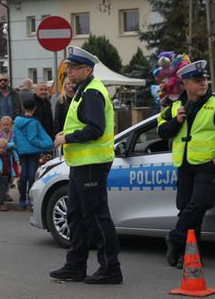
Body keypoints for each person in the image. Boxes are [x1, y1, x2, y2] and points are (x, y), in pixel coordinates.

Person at [50, 46, 122, 285]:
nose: (69, 71)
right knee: (76, 216)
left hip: (92, 164)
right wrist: (67, 132)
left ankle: (111, 269)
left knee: (96, 217)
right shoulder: (83, 90)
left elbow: (95, 128)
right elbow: (84, 124)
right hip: (82, 164)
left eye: (73, 68)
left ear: (87, 69)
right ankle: (75, 266)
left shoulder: (91, 92)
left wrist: (67, 138)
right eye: (69, 67)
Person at [157, 60, 215, 269]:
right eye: (197, 80)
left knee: (198, 205)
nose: (203, 83)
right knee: (186, 209)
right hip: (184, 166)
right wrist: (175, 122)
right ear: (185, 83)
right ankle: (189, 256)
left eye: (204, 79)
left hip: (207, 165)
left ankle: (175, 239)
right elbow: (161, 131)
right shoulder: (175, 107)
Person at [13, 98, 53, 210]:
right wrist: (45, 145)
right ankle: (30, 199)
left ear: (23, 108)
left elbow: (14, 138)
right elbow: (33, 138)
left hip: (21, 151)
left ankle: (22, 198)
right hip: (33, 151)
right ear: (34, 109)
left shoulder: (16, 122)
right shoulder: (34, 122)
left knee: (23, 174)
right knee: (32, 175)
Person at [0, 138, 19, 211]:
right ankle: (0, 204)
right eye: (0, 148)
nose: (2, 149)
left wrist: (13, 175)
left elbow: (10, 166)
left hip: (7, 175)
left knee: (6, 189)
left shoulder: (8, 155)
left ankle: (4, 197)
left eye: (4, 148)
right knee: (2, 190)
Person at [0, 116, 21, 198]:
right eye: (4, 125)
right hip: (2, 159)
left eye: (8, 125)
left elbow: (15, 143)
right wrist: (10, 145)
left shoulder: (13, 134)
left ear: (11, 126)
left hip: (12, 159)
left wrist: (8, 145)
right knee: (4, 177)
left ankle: (6, 192)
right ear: (1, 125)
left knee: (12, 177)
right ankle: (4, 193)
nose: (6, 126)